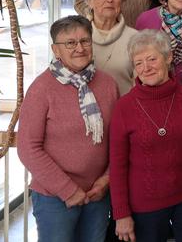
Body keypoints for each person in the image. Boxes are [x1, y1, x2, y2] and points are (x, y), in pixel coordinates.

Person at [109, 30, 182, 242]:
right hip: (146, 205)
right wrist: (121, 213)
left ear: (168, 57)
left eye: (152, 59)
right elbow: (117, 166)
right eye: (138, 63)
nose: (146, 68)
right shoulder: (124, 107)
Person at [18, 16, 119, 242]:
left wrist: (106, 180)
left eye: (85, 41)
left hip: (97, 194)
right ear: (56, 50)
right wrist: (69, 190)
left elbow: (118, 140)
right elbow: (27, 148)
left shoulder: (108, 84)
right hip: (55, 197)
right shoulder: (41, 89)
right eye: (70, 43)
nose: (79, 48)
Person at [84, 0, 138, 96]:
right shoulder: (77, 38)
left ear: (122, 0)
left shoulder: (135, 38)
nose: (109, 0)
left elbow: (141, 86)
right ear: (89, 1)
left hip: (122, 110)